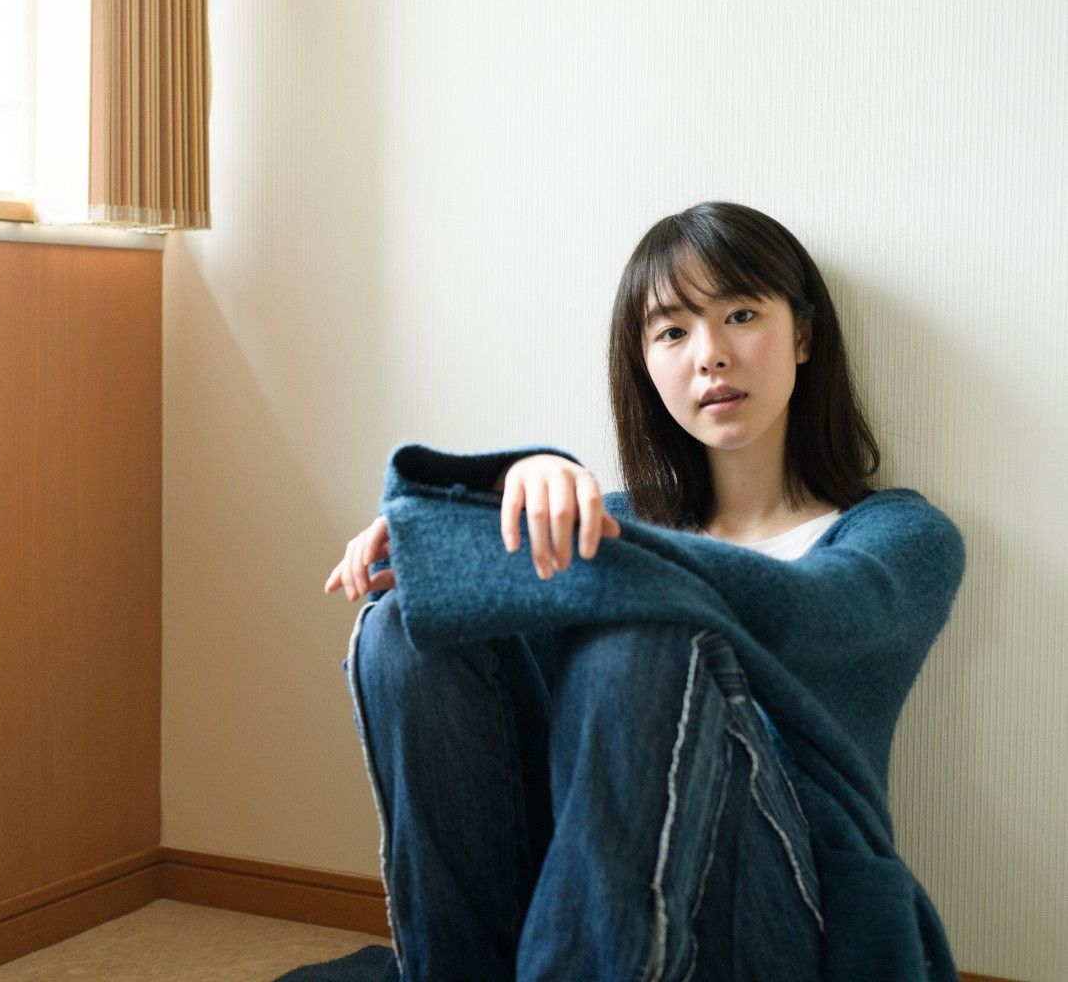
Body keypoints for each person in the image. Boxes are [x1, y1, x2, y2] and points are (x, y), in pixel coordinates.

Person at [316, 201, 958, 981]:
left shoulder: (899, 534)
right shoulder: (614, 528)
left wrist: (467, 534)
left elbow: (805, 612)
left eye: (741, 314)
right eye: (673, 332)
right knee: (404, 628)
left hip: (786, 902)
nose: (710, 356)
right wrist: (501, 503)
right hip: (599, 889)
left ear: (803, 334)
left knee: (640, 642)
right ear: (646, 366)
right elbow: (496, 676)